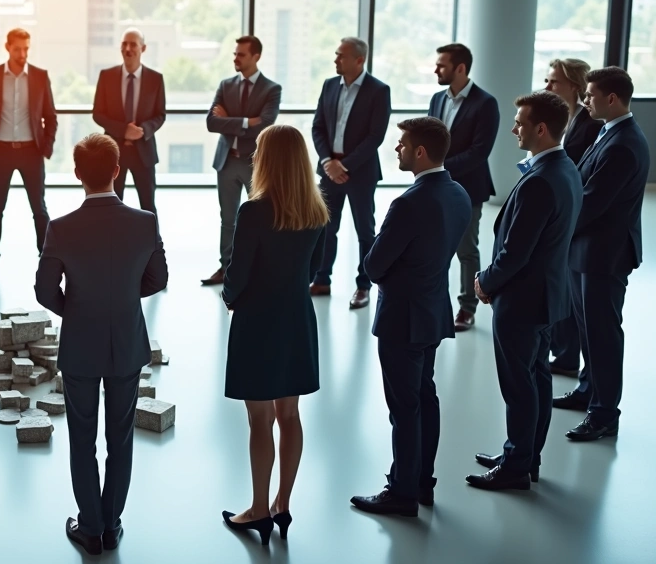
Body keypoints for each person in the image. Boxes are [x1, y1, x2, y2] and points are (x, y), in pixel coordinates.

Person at [34, 133, 167, 555]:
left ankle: (90, 528)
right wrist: (121, 297)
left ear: (77, 174)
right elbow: (158, 279)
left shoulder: (61, 227)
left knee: (82, 439)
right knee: (121, 439)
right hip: (127, 341)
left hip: (80, 344)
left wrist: (75, 309)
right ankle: (111, 524)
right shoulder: (145, 221)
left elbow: (44, 290)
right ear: (117, 170)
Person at [349, 117, 471, 517]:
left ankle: (401, 493)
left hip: (402, 318)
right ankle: (421, 482)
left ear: (420, 152)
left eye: (401, 144)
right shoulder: (458, 193)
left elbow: (373, 265)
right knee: (424, 398)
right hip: (432, 311)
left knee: (403, 408)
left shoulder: (408, 203)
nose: (396, 149)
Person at [466, 91, 583, 491]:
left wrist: (485, 281)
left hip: (521, 300)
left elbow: (516, 252)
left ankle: (515, 467)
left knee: (519, 387)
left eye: (520, 122)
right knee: (537, 379)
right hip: (547, 296)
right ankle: (525, 456)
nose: (514, 128)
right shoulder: (565, 168)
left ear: (541, 128)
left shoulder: (540, 181)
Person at [220, 124, 327, 545]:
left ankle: (258, 509)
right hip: (297, 319)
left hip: (257, 322)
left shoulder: (254, 211)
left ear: (267, 160)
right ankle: (283, 504)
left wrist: (230, 298)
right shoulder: (316, 211)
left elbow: (238, 273)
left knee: (259, 420)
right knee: (290, 416)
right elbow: (314, 269)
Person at [555, 67, 650, 442]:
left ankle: (604, 413)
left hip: (603, 255)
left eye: (591, 95)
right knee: (587, 329)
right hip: (588, 251)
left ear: (612, 98)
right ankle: (587, 391)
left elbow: (593, 202)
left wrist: (555, 227)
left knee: (603, 334)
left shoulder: (623, 143)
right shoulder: (609, 131)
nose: (585, 100)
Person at [309, 37, 392, 309]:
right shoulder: (329, 85)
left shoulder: (379, 90)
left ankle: (364, 286)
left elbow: (375, 136)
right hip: (329, 170)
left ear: (359, 60)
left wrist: (343, 166)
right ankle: (321, 279)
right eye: (336, 54)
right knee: (325, 227)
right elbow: (318, 127)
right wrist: (327, 162)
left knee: (365, 231)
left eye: (341, 56)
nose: (335, 60)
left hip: (360, 172)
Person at [426, 44, 499, 333]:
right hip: (434, 188)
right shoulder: (437, 99)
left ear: (460, 68)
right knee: (434, 248)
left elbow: (479, 152)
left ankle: (467, 307)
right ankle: (435, 303)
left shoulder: (485, 103)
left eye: (441, 65)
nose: (436, 69)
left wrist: (439, 168)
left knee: (466, 249)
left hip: (468, 188)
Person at [0, 28, 58, 279]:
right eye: (18, 49)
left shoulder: (40, 76)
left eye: (26, 49)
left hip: (31, 151)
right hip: (0, 151)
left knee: (39, 208)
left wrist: (46, 147)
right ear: (7, 48)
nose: (23, 54)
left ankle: (47, 260)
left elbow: (50, 116)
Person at [201, 35, 281, 286]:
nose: (235, 58)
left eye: (241, 54)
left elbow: (264, 126)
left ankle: (258, 269)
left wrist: (229, 120)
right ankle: (226, 268)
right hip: (226, 161)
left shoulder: (271, 89)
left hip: (254, 164)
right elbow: (211, 123)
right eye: (235, 54)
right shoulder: (226, 85)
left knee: (259, 218)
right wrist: (247, 121)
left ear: (256, 56)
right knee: (228, 219)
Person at [542, 58, 601, 377]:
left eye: (554, 81)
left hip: (569, 214)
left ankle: (567, 355)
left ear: (575, 86)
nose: (548, 86)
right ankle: (563, 354)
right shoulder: (555, 119)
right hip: (556, 209)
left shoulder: (590, 124)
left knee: (567, 289)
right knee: (558, 286)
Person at [90, 28, 167, 213]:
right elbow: (98, 113)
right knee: (111, 207)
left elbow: (160, 115)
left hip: (144, 152)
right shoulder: (106, 76)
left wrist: (143, 130)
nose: (128, 49)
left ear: (143, 48)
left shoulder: (155, 79)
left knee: (148, 206)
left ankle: (151, 234)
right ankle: (112, 234)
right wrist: (124, 130)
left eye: (133, 44)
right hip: (113, 151)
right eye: (124, 44)